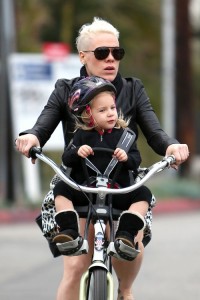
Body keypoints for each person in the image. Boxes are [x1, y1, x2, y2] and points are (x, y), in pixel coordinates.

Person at [15, 17, 189, 300]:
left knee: (129, 247)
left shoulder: (133, 89)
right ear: (83, 56)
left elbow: (156, 133)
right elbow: (42, 127)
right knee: (74, 267)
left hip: (122, 182)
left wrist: (172, 147)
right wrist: (31, 138)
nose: (110, 59)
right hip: (79, 182)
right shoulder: (66, 89)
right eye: (101, 53)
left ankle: (126, 291)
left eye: (116, 53)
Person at [53, 76, 149, 261]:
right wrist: (77, 152)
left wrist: (127, 157)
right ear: (88, 114)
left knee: (144, 193)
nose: (111, 113)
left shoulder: (126, 136)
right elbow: (67, 158)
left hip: (118, 191)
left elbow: (136, 160)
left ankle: (126, 234)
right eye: (103, 110)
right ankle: (69, 231)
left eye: (113, 108)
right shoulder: (81, 135)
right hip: (87, 190)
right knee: (61, 189)